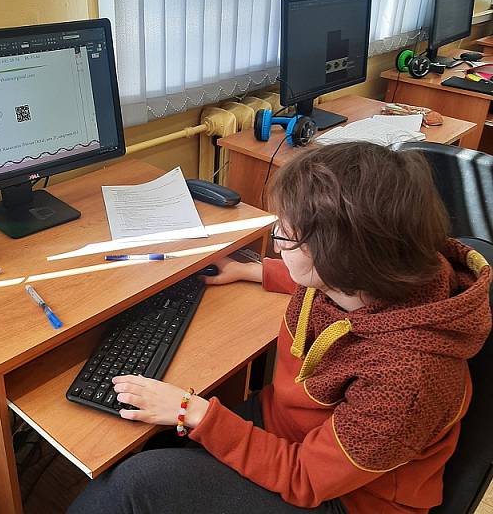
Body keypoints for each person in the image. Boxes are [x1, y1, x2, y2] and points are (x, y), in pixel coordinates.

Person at [69, 142, 491, 514]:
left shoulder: (407, 380)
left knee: (135, 484)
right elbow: (317, 286)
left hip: (344, 498)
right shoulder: (378, 275)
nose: (276, 242)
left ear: (339, 258)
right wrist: (252, 271)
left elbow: (305, 478)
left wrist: (190, 410)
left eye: (286, 237)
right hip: (289, 425)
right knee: (155, 445)